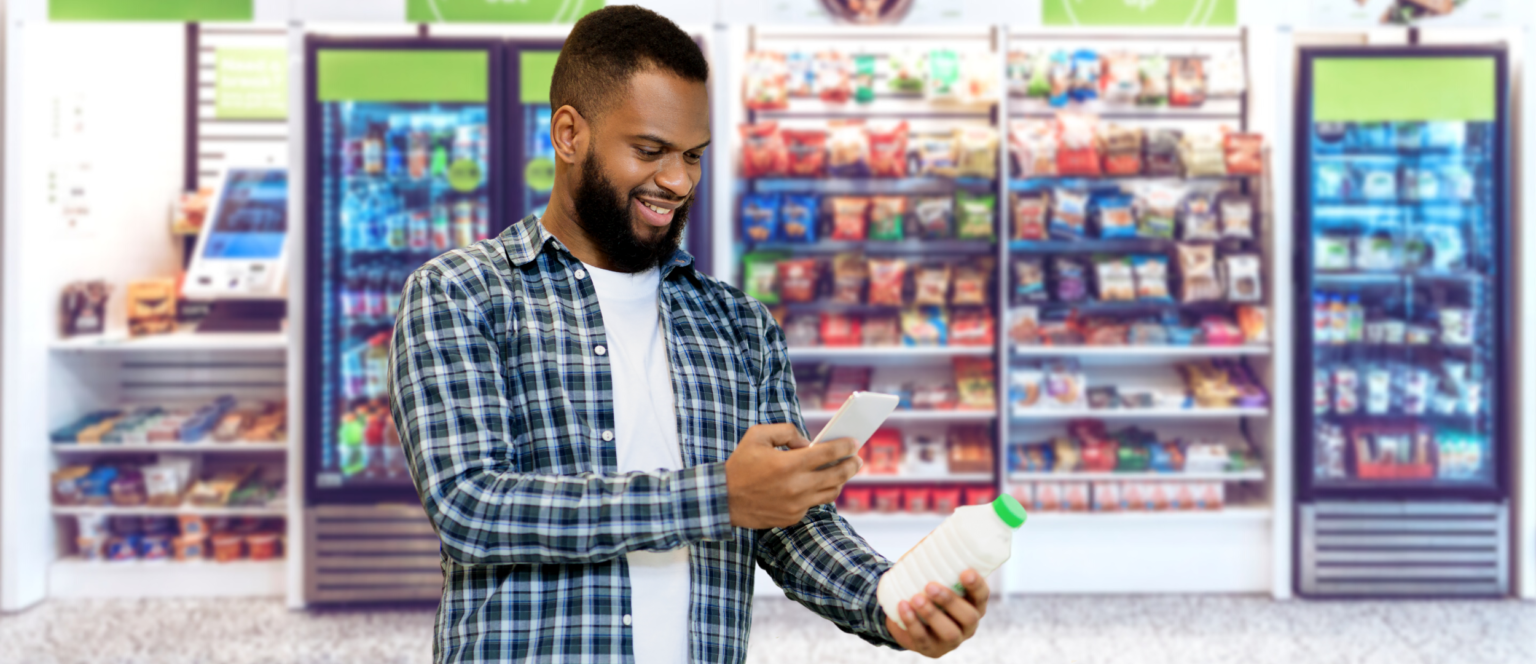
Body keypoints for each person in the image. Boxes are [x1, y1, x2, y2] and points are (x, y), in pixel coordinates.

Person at [389, 6, 991, 663]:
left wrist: (888, 601)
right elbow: (472, 508)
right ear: (569, 133)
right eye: (649, 151)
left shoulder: (739, 326)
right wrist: (721, 495)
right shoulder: (462, 294)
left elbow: (785, 526)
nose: (678, 181)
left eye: (693, 156)